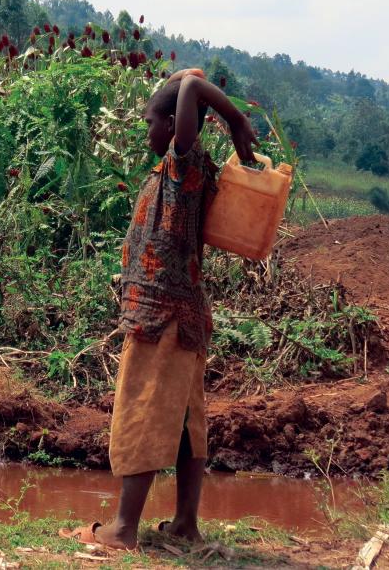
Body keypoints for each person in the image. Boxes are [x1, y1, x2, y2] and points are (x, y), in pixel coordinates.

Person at [60, 69, 258, 549]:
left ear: (173, 126)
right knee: (188, 422)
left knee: (143, 411)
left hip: (161, 319)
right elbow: (188, 81)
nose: (145, 131)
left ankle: (124, 528)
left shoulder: (182, 165)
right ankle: (186, 523)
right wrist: (180, 79)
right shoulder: (184, 171)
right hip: (183, 316)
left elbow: (191, 88)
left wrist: (234, 120)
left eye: (151, 121)